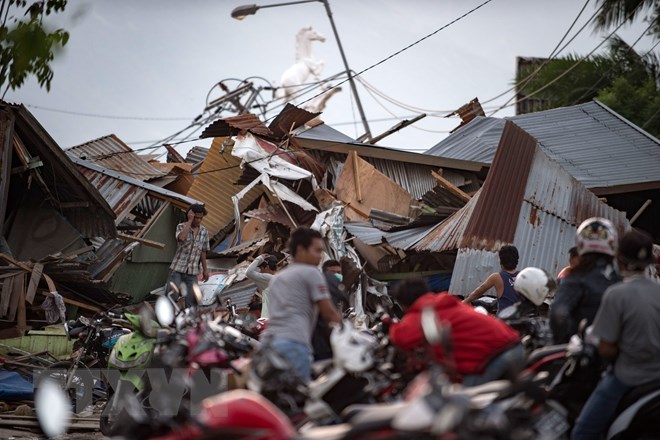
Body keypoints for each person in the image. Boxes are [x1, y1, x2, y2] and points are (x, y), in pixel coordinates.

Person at [571, 229, 660, 439]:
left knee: (582, 432)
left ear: (618, 259)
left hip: (627, 377)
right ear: (650, 261)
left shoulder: (616, 294)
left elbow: (606, 348)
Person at [390, 279, 523, 386]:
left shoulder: (421, 313)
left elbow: (400, 337)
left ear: (404, 305)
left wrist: (388, 325)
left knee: (451, 402)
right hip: (516, 346)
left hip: (497, 359)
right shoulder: (445, 301)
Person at [260, 227, 342, 382]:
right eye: (317, 251)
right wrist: (348, 332)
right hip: (294, 345)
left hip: (269, 345)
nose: (320, 257)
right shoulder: (312, 273)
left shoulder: (278, 278)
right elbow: (329, 313)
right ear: (300, 249)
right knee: (298, 400)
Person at [550, 218, 621, 344]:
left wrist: (566, 341)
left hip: (581, 355)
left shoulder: (575, 278)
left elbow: (558, 314)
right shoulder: (619, 280)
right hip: (616, 355)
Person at [166, 204, 210, 308]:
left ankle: (188, 322)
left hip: (192, 272)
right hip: (177, 269)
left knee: (192, 300)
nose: (198, 220)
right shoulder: (181, 227)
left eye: (200, 218)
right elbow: (181, 238)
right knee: (171, 297)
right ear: (190, 215)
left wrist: (205, 270)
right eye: (196, 218)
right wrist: (189, 221)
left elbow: (203, 251)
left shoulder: (204, 231)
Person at [462, 245, 521, 312]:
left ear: (501, 260)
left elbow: (478, 291)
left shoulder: (496, 277)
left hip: (505, 319)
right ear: (517, 260)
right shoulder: (523, 276)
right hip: (522, 317)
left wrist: (465, 301)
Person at [312, 260, 350, 361]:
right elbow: (329, 314)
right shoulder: (324, 284)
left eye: (339, 272)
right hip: (321, 343)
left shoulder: (337, 287)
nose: (336, 275)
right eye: (333, 272)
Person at [246, 254, 277, 318]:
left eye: (261, 268)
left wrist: (259, 258)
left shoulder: (268, 278)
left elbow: (249, 272)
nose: (260, 271)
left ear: (267, 267)